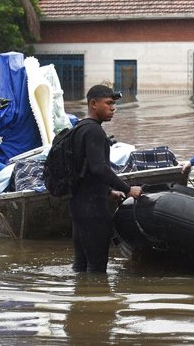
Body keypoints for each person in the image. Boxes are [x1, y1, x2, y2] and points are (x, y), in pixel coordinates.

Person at [69, 84, 143, 272]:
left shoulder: (78, 128)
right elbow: (99, 168)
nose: (113, 108)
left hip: (78, 208)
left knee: (80, 266)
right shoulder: (94, 131)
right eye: (108, 103)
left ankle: (80, 300)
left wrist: (109, 191)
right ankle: (97, 300)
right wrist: (128, 190)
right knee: (97, 270)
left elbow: (83, 171)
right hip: (93, 211)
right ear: (93, 104)